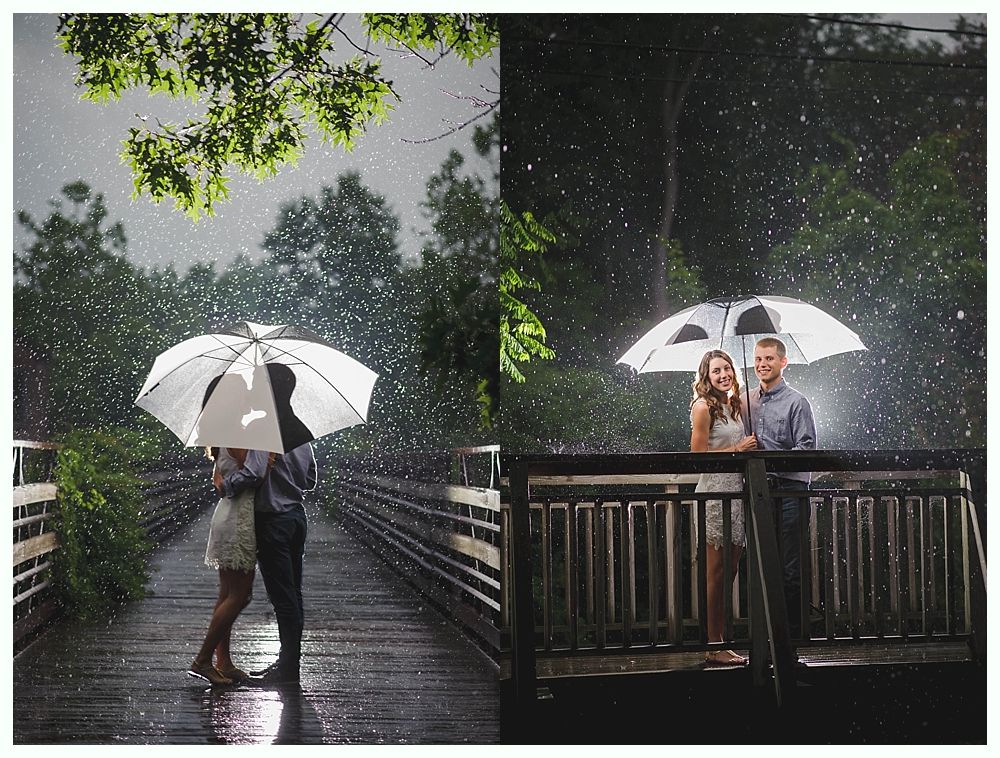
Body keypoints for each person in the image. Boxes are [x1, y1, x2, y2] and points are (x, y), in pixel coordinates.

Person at [217, 363, 318, 685]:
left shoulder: (264, 427)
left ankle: (288, 670)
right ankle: (289, 663)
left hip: (272, 520)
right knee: (294, 595)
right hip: (296, 517)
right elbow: (312, 479)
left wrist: (226, 484)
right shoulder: (301, 429)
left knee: (282, 597)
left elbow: (254, 474)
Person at [741, 336, 817, 639]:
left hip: (790, 491)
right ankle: (765, 640)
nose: (762, 364)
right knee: (761, 565)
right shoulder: (746, 401)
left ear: (783, 362)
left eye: (769, 359)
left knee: (790, 568)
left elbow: (806, 449)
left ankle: (793, 641)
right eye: (758, 359)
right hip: (759, 494)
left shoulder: (797, 402)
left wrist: (769, 458)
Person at [690, 349, 758, 666]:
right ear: (706, 376)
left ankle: (720, 642)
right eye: (716, 371)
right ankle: (712, 644)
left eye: (727, 368)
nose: (723, 375)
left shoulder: (733, 406)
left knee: (730, 571)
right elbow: (697, 457)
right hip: (714, 496)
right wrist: (738, 448)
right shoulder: (703, 408)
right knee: (716, 573)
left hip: (736, 495)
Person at [187, 445, 257, 686]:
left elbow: (221, 479)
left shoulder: (223, 437)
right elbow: (253, 473)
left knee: (228, 593)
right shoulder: (238, 438)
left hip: (228, 512)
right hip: (238, 516)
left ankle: (223, 662)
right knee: (240, 595)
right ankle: (203, 660)